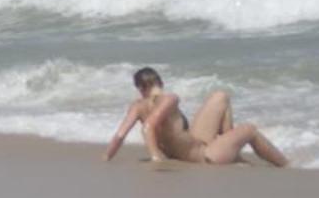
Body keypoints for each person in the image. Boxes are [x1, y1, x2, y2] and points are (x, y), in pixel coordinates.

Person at [103, 67, 288, 167]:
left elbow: (119, 136)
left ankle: (231, 151)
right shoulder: (170, 98)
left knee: (220, 96)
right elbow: (149, 126)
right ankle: (286, 165)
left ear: (140, 88)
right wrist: (155, 158)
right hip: (205, 157)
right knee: (250, 129)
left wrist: (106, 158)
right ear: (160, 82)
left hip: (195, 144)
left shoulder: (136, 106)